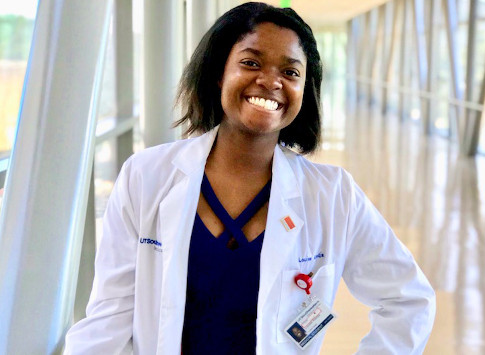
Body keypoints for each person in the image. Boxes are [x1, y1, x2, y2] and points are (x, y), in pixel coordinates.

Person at [64, 2, 435, 354]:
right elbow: (108, 319)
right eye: (251, 62)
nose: (270, 81)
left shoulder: (333, 195)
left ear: (305, 91)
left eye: (290, 72)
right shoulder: (146, 176)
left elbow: (408, 300)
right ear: (218, 73)